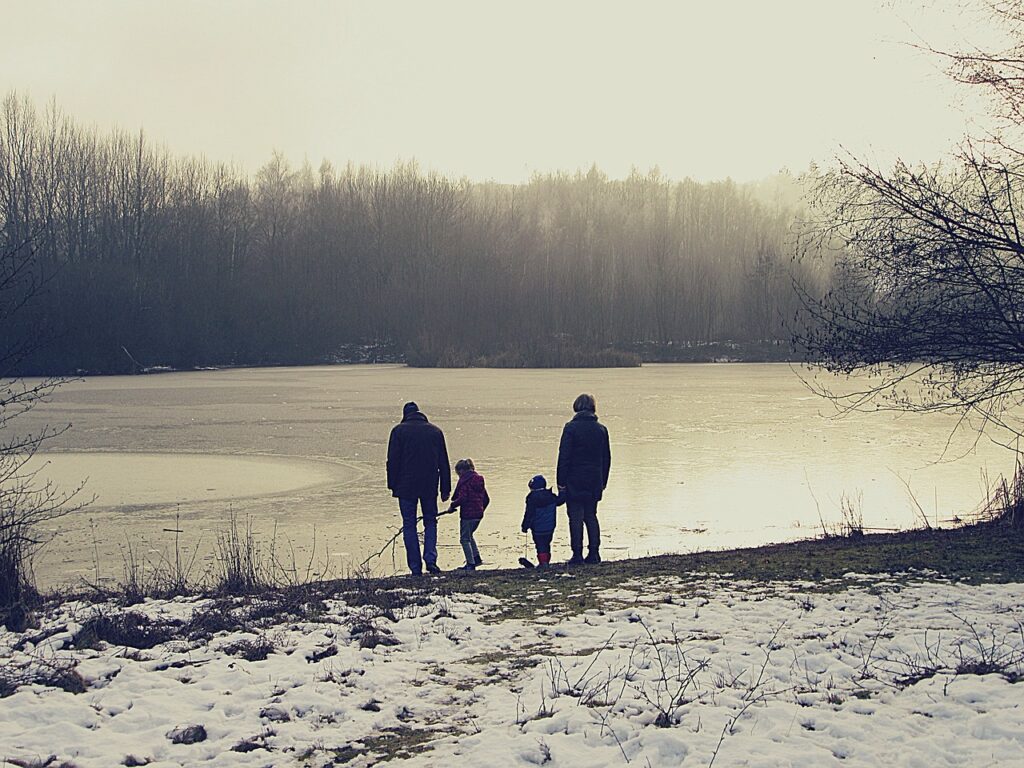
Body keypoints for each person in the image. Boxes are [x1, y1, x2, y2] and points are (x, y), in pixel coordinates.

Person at [386, 401, 451, 575]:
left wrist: (392, 485)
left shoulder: (398, 431)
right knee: (431, 521)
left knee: (409, 525)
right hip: (429, 485)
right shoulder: (435, 431)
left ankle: (415, 567)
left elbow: (392, 461)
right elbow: (443, 462)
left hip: (405, 486)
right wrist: (446, 488)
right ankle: (430, 560)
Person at [556, 393, 611, 565]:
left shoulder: (570, 428)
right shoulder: (601, 429)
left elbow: (564, 457)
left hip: (574, 479)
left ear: (576, 407)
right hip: (594, 479)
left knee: (575, 517)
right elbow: (606, 458)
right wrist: (603, 481)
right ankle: (594, 553)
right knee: (591, 516)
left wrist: (561, 482)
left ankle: (577, 554)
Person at [446, 458, 489, 571]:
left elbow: (463, 498)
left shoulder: (465, 482)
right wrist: (480, 509)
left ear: (461, 471)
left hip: (467, 515)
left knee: (464, 539)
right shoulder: (479, 481)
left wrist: (452, 505)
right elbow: (486, 499)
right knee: (469, 536)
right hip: (478, 515)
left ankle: (470, 564)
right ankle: (476, 558)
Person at [520, 474, 564, 568]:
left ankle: (543, 563)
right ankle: (546, 562)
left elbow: (529, 514)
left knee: (540, 545)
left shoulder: (531, 498)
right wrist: (562, 491)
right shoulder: (551, 496)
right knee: (547, 544)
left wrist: (525, 526)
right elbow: (560, 501)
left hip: (537, 528)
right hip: (550, 526)